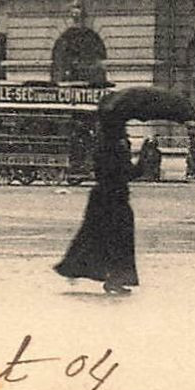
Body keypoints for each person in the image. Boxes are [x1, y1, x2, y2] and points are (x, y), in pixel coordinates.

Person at [54, 115, 140, 294]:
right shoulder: (116, 149)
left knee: (92, 235)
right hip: (115, 199)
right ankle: (115, 278)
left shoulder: (102, 147)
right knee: (120, 240)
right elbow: (126, 173)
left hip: (101, 198)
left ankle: (75, 267)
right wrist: (141, 164)